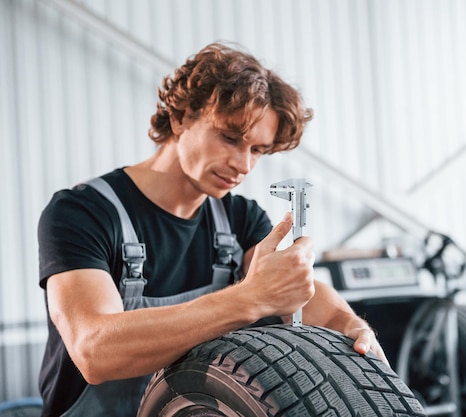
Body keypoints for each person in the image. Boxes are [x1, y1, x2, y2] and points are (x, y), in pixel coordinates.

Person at [37, 41, 387, 417]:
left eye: (257, 150)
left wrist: (346, 324)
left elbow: (297, 288)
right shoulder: (82, 213)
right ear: (181, 118)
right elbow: (95, 351)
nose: (243, 165)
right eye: (230, 137)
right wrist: (248, 299)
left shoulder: (240, 220)